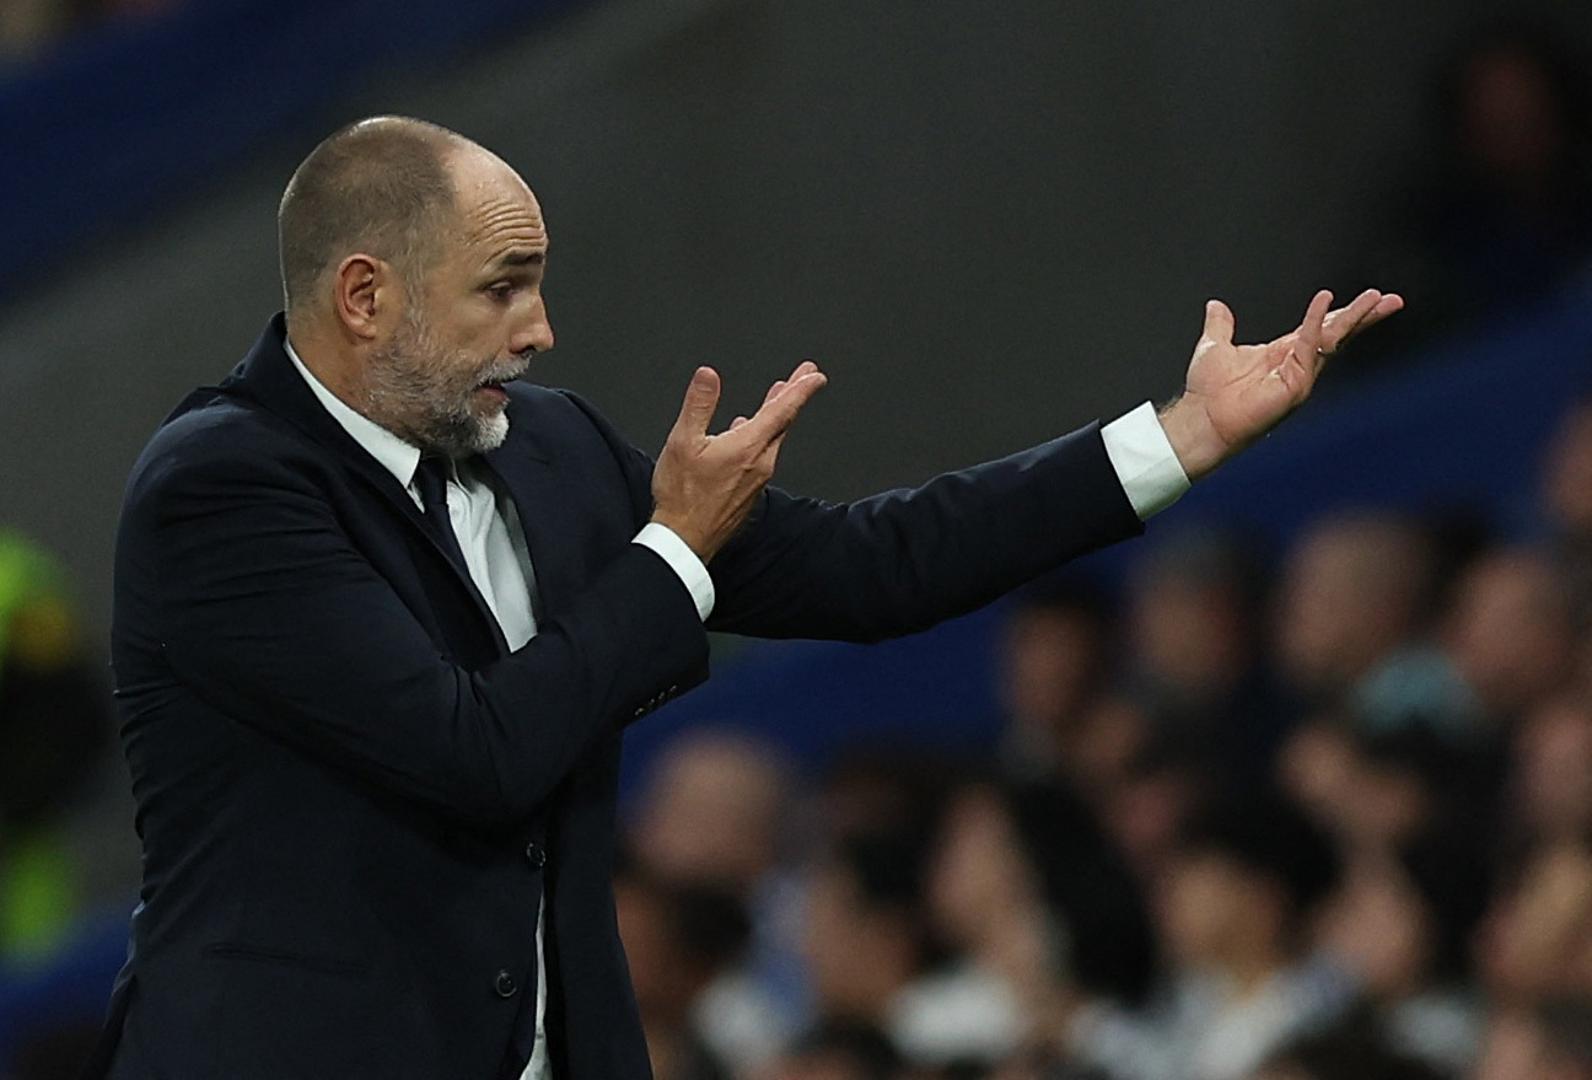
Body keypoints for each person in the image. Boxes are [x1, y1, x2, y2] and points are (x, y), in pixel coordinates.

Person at [86, 114, 1402, 1079]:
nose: (541, 330)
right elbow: (471, 752)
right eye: (501, 289)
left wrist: (1178, 436)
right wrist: (672, 551)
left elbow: (872, 566)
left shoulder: (551, 448)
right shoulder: (225, 488)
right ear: (364, 296)